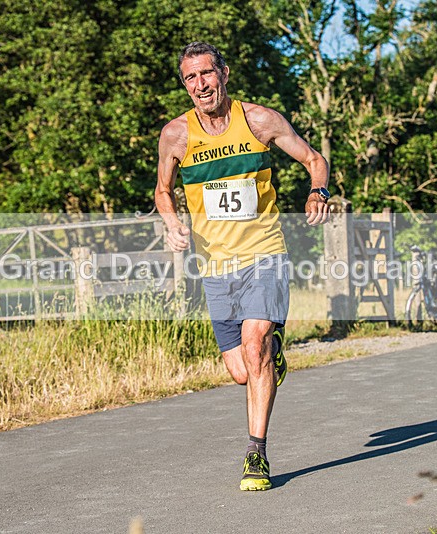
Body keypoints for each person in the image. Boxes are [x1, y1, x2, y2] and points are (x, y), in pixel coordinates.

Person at [155, 41, 330, 491]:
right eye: (190, 78)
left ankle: (256, 452)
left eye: (206, 74)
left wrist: (318, 192)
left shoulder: (259, 120)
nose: (200, 85)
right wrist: (173, 222)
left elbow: (314, 160)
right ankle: (273, 352)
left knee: (254, 348)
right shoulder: (176, 134)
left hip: (265, 254)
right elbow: (162, 190)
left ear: (224, 74)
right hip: (215, 266)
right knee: (241, 370)